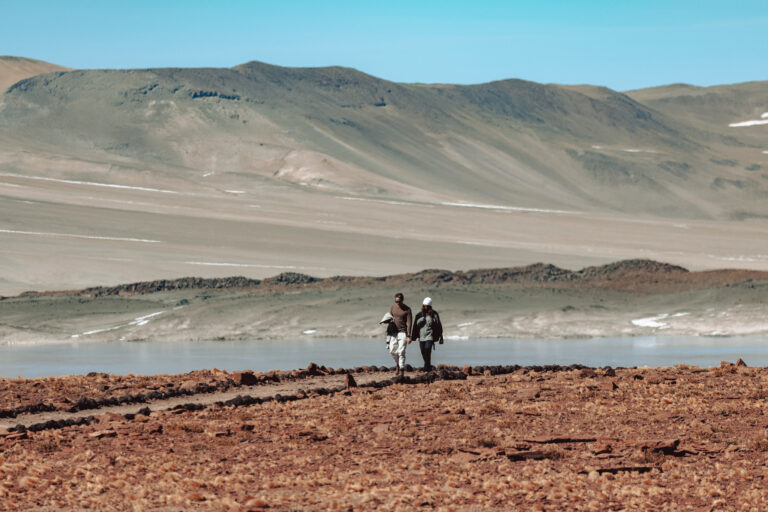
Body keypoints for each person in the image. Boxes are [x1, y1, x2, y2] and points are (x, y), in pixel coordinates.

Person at [411, 297, 443, 372]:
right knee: (423, 352)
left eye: (427, 306)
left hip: (430, 336)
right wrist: (413, 337)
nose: (426, 307)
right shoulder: (419, 315)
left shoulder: (434, 314)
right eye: (424, 306)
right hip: (421, 337)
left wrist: (440, 336)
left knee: (427, 349)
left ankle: (426, 368)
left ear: (430, 306)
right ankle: (428, 366)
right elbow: (415, 326)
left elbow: (439, 325)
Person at [389, 292, 412, 376]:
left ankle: (401, 369)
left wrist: (409, 335)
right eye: (396, 301)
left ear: (402, 300)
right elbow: (390, 318)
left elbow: (409, 323)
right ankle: (398, 364)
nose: (397, 303)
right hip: (394, 333)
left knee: (401, 351)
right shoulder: (393, 308)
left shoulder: (407, 309)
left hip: (403, 333)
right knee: (392, 351)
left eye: (399, 301)